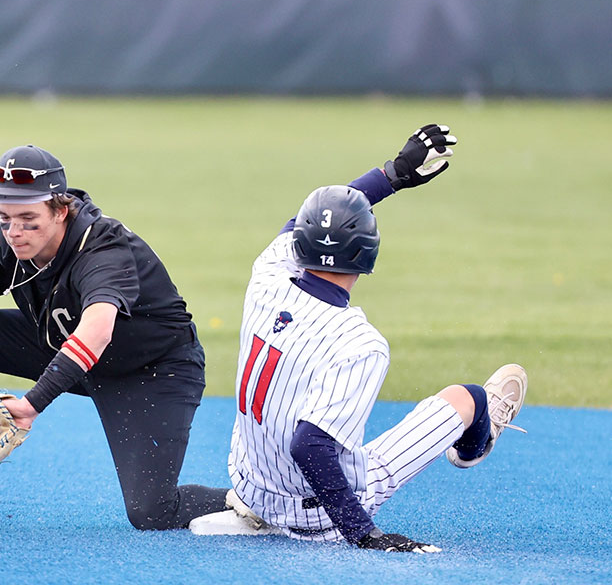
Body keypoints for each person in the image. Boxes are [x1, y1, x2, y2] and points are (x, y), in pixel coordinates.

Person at [189, 125, 527, 552]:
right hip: (318, 516)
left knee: (298, 423)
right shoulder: (359, 343)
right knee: (470, 398)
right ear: (368, 252)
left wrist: (392, 174)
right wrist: (365, 534)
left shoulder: (267, 275)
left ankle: (257, 507)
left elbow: (302, 223)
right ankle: (474, 445)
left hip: (249, 483)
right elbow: (310, 447)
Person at [0, 144, 229, 529]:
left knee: (153, 511)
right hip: (67, 348)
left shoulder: (103, 247)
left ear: (61, 210)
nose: (14, 232)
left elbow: (96, 332)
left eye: (28, 218)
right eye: (5, 218)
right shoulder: (7, 238)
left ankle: (257, 503)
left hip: (152, 372)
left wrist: (32, 404)